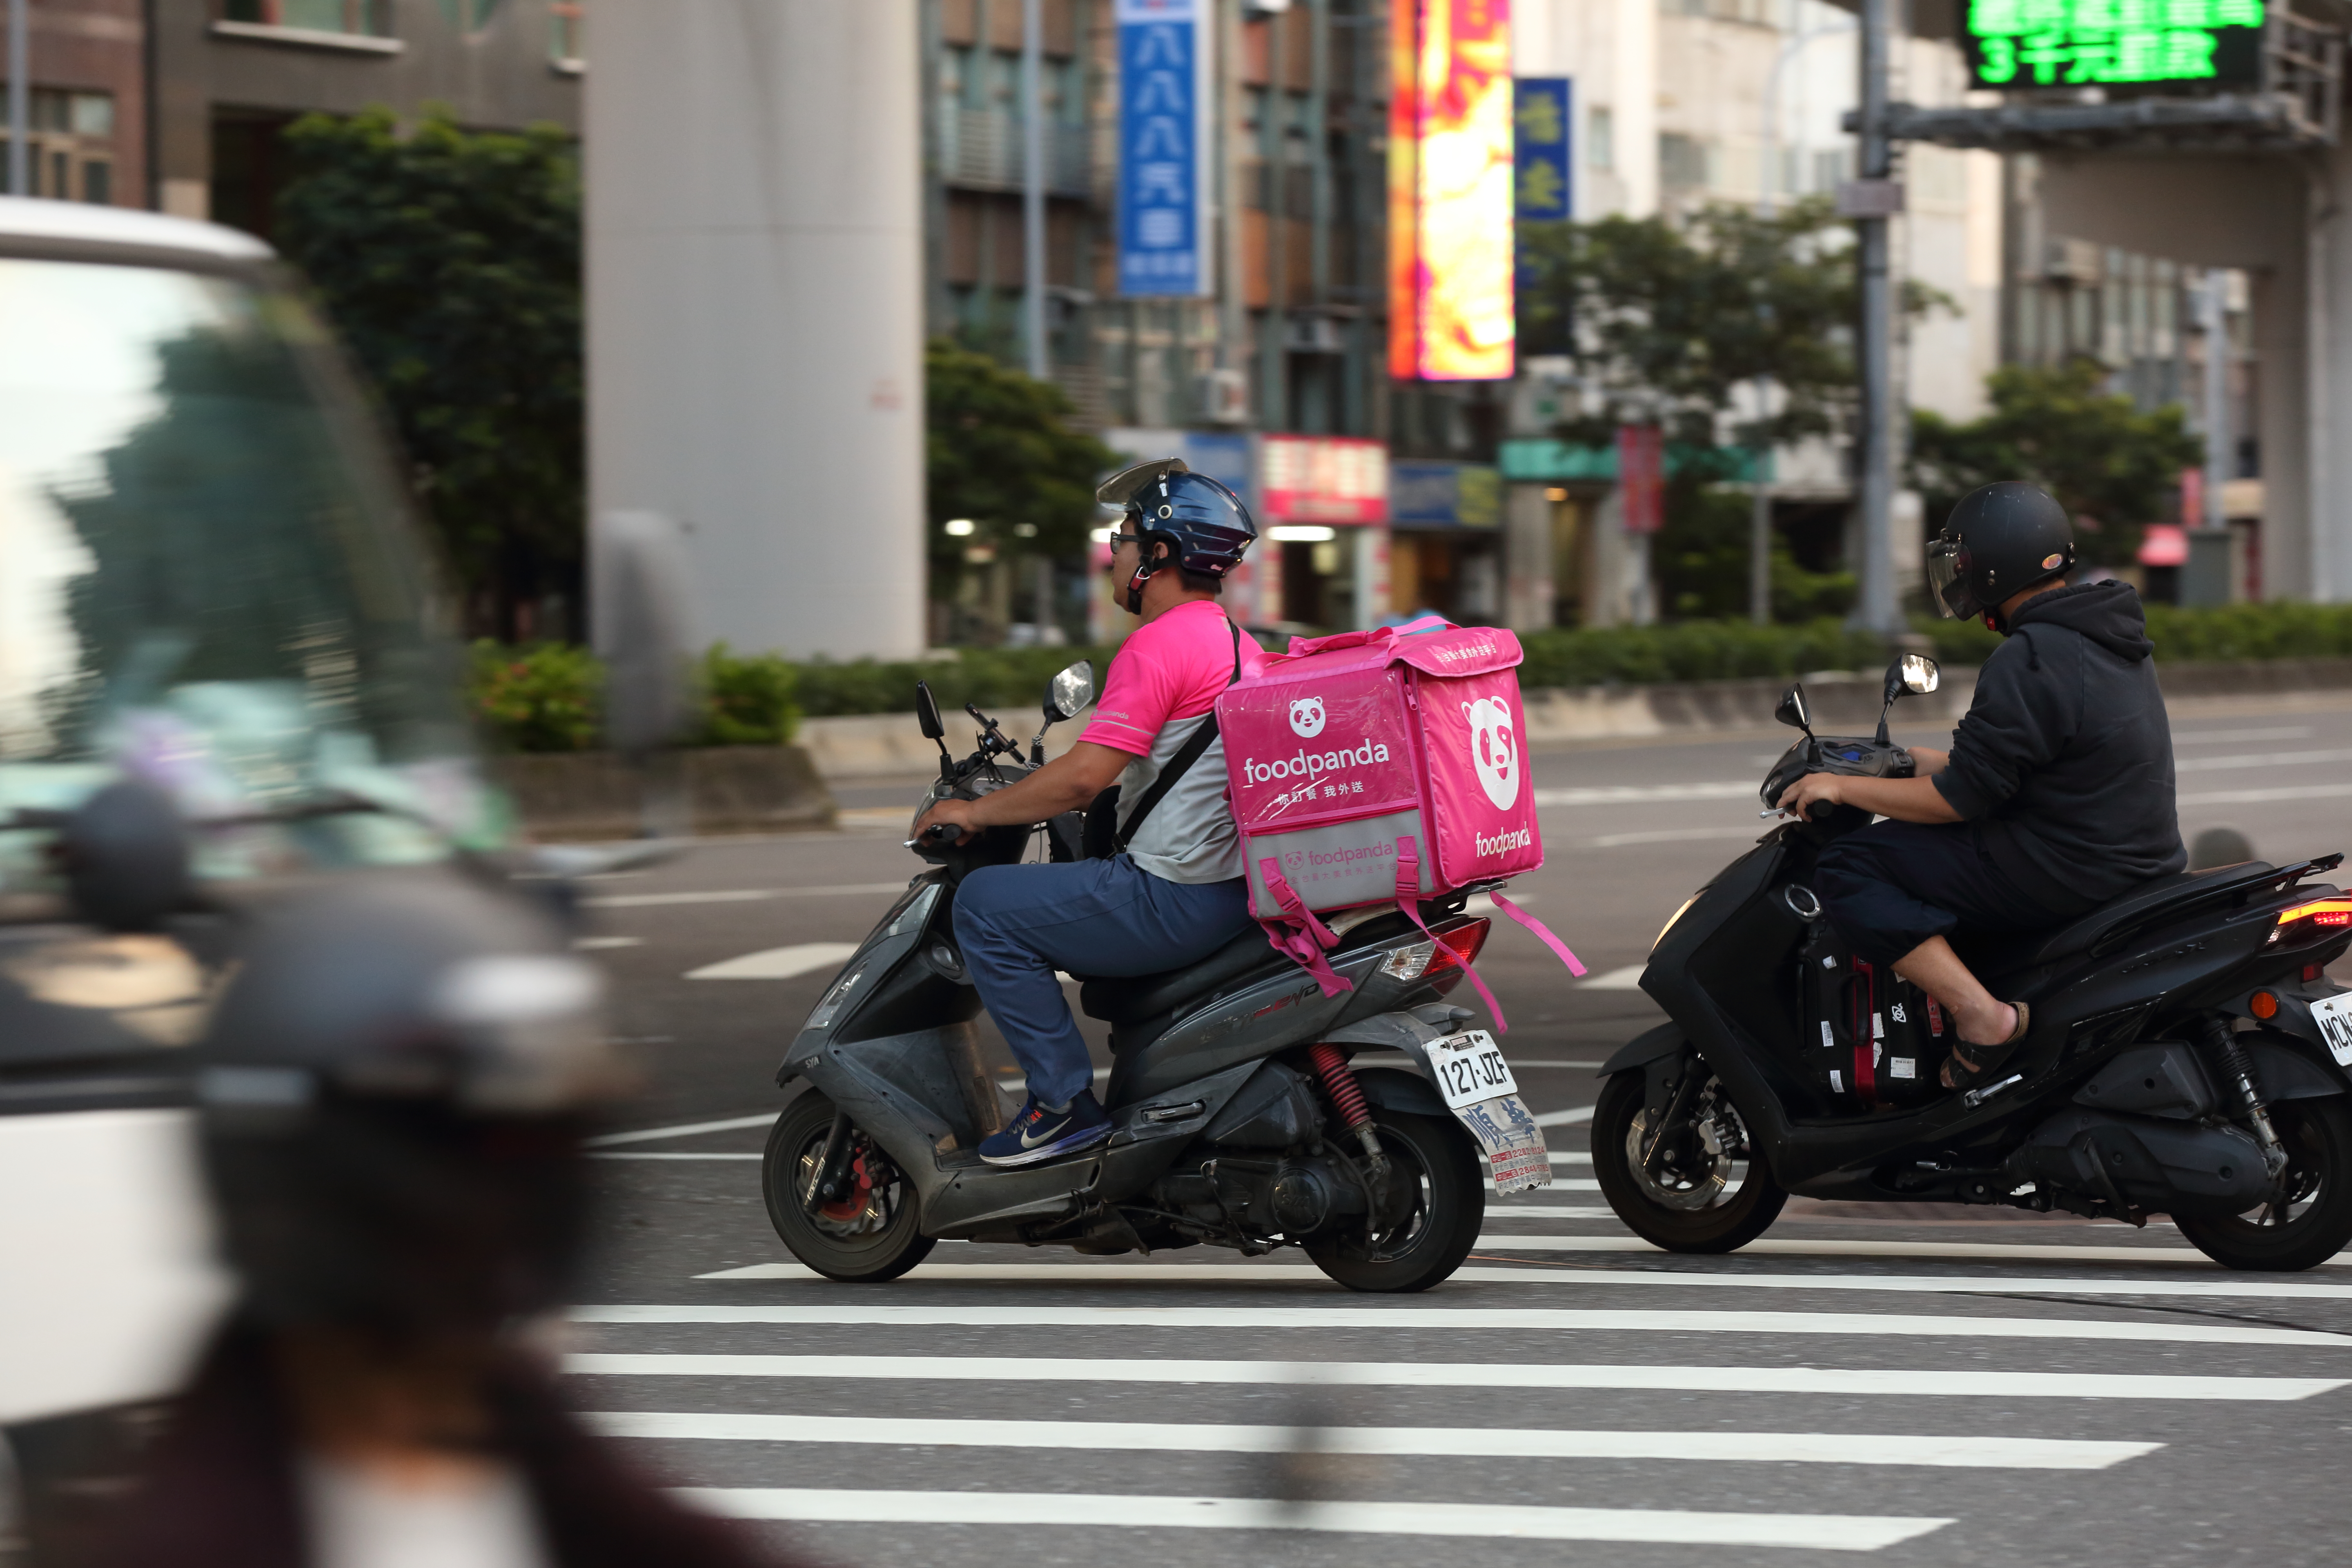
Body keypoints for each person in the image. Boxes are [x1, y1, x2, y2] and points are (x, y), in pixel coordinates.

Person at [91, 876, 791, 1568]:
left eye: (538, 1156)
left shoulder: (559, 1469)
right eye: (460, 1155)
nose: (503, 1212)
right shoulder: (199, 1537)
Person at [914, 459, 1265, 1166]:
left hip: (1174, 895)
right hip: (1234, 892)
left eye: (1124, 540)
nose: (1115, 556)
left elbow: (1081, 779)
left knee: (984, 903)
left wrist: (977, 814)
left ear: (1158, 555)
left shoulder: (1159, 646)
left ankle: (1060, 1107)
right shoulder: (1236, 643)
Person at [1779, 481, 2186, 1091]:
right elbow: (2020, 765)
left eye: (1963, 562)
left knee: (1850, 866)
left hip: (2069, 865)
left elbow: (1956, 801)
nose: (1958, 576)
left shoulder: (2031, 656)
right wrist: (1906, 760)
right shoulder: (2107, 637)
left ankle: (1982, 1016)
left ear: (1998, 564)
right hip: (2124, 854)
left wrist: (1844, 789)